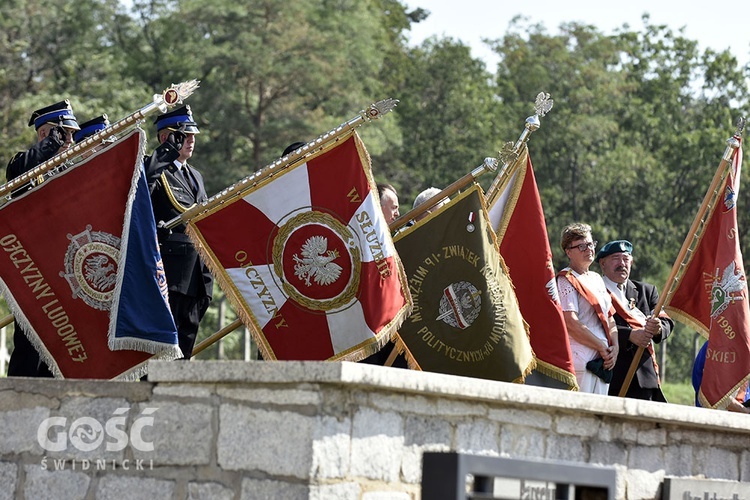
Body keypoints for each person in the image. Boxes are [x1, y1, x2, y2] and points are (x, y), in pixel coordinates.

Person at [6, 99, 80, 377]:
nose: (72, 140)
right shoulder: (22, 163)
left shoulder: (67, 172)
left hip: (62, 272)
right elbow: (18, 176)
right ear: (44, 135)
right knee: (29, 348)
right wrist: (51, 144)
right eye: (65, 133)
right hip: (32, 274)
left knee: (58, 351)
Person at [144, 105, 213, 359]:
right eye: (185, 135)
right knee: (164, 342)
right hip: (171, 272)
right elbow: (142, 187)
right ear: (167, 137)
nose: (192, 141)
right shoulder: (155, 168)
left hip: (198, 271)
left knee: (186, 340)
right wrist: (164, 152)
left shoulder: (195, 175)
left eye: (193, 136)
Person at [596, 240, 673, 401]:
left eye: (626, 259)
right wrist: (629, 336)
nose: (621, 264)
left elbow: (666, 322)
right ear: (603, 263)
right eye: (616, 258)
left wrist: (657, 328)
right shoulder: (595, 289)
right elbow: (593, 325)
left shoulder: (647, 291)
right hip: (611, 377)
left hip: (645, 379)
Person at [556, 223, 618, 394]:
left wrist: (616, 348)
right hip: (581, 359)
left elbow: (610, 317)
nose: (589, 249)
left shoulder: (597, 278)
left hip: (603, 359)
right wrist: (600, 346)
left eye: (591, 244)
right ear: (568, 251)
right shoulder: (566, 280)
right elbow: (571, 323)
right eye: (582, 246)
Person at [692, 341, 750, 413]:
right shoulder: (713, 345)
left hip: (742, 411)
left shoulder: (747, 347)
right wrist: (743, 410)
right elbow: (709, 391)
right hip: (712, 414)